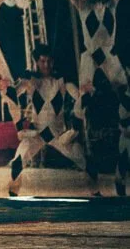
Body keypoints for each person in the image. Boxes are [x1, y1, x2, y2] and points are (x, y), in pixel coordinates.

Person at [8, 44, 87, 196]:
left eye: (49, 61)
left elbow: (79, 97)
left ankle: (98, 194)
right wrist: (6, 87)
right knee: (18, 160)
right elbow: (12, 94)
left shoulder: (62, 81)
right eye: (43, 61)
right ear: (37, 62)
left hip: (57, 133)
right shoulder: (31, 81)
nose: (46, 65)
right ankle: (12, 196)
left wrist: (84, 93)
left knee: (84, 160)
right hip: (37, 133)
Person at [65, 0, 130, 93]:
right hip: (91, 54)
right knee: (85, 92)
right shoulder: (83, 5)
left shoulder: (111, 2)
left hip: (108, 52)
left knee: (124, 90)